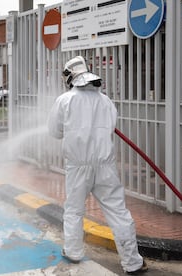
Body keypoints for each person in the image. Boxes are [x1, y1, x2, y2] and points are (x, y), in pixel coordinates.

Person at [47, 56, 148, 274]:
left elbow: (55, 132)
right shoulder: (106, 101)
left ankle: (73, 252)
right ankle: (133, 263)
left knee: (74, 210)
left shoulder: (65, 100)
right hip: (105, 167)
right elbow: (110, 127)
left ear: (70, 76)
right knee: (118, 212)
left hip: (78, 166)